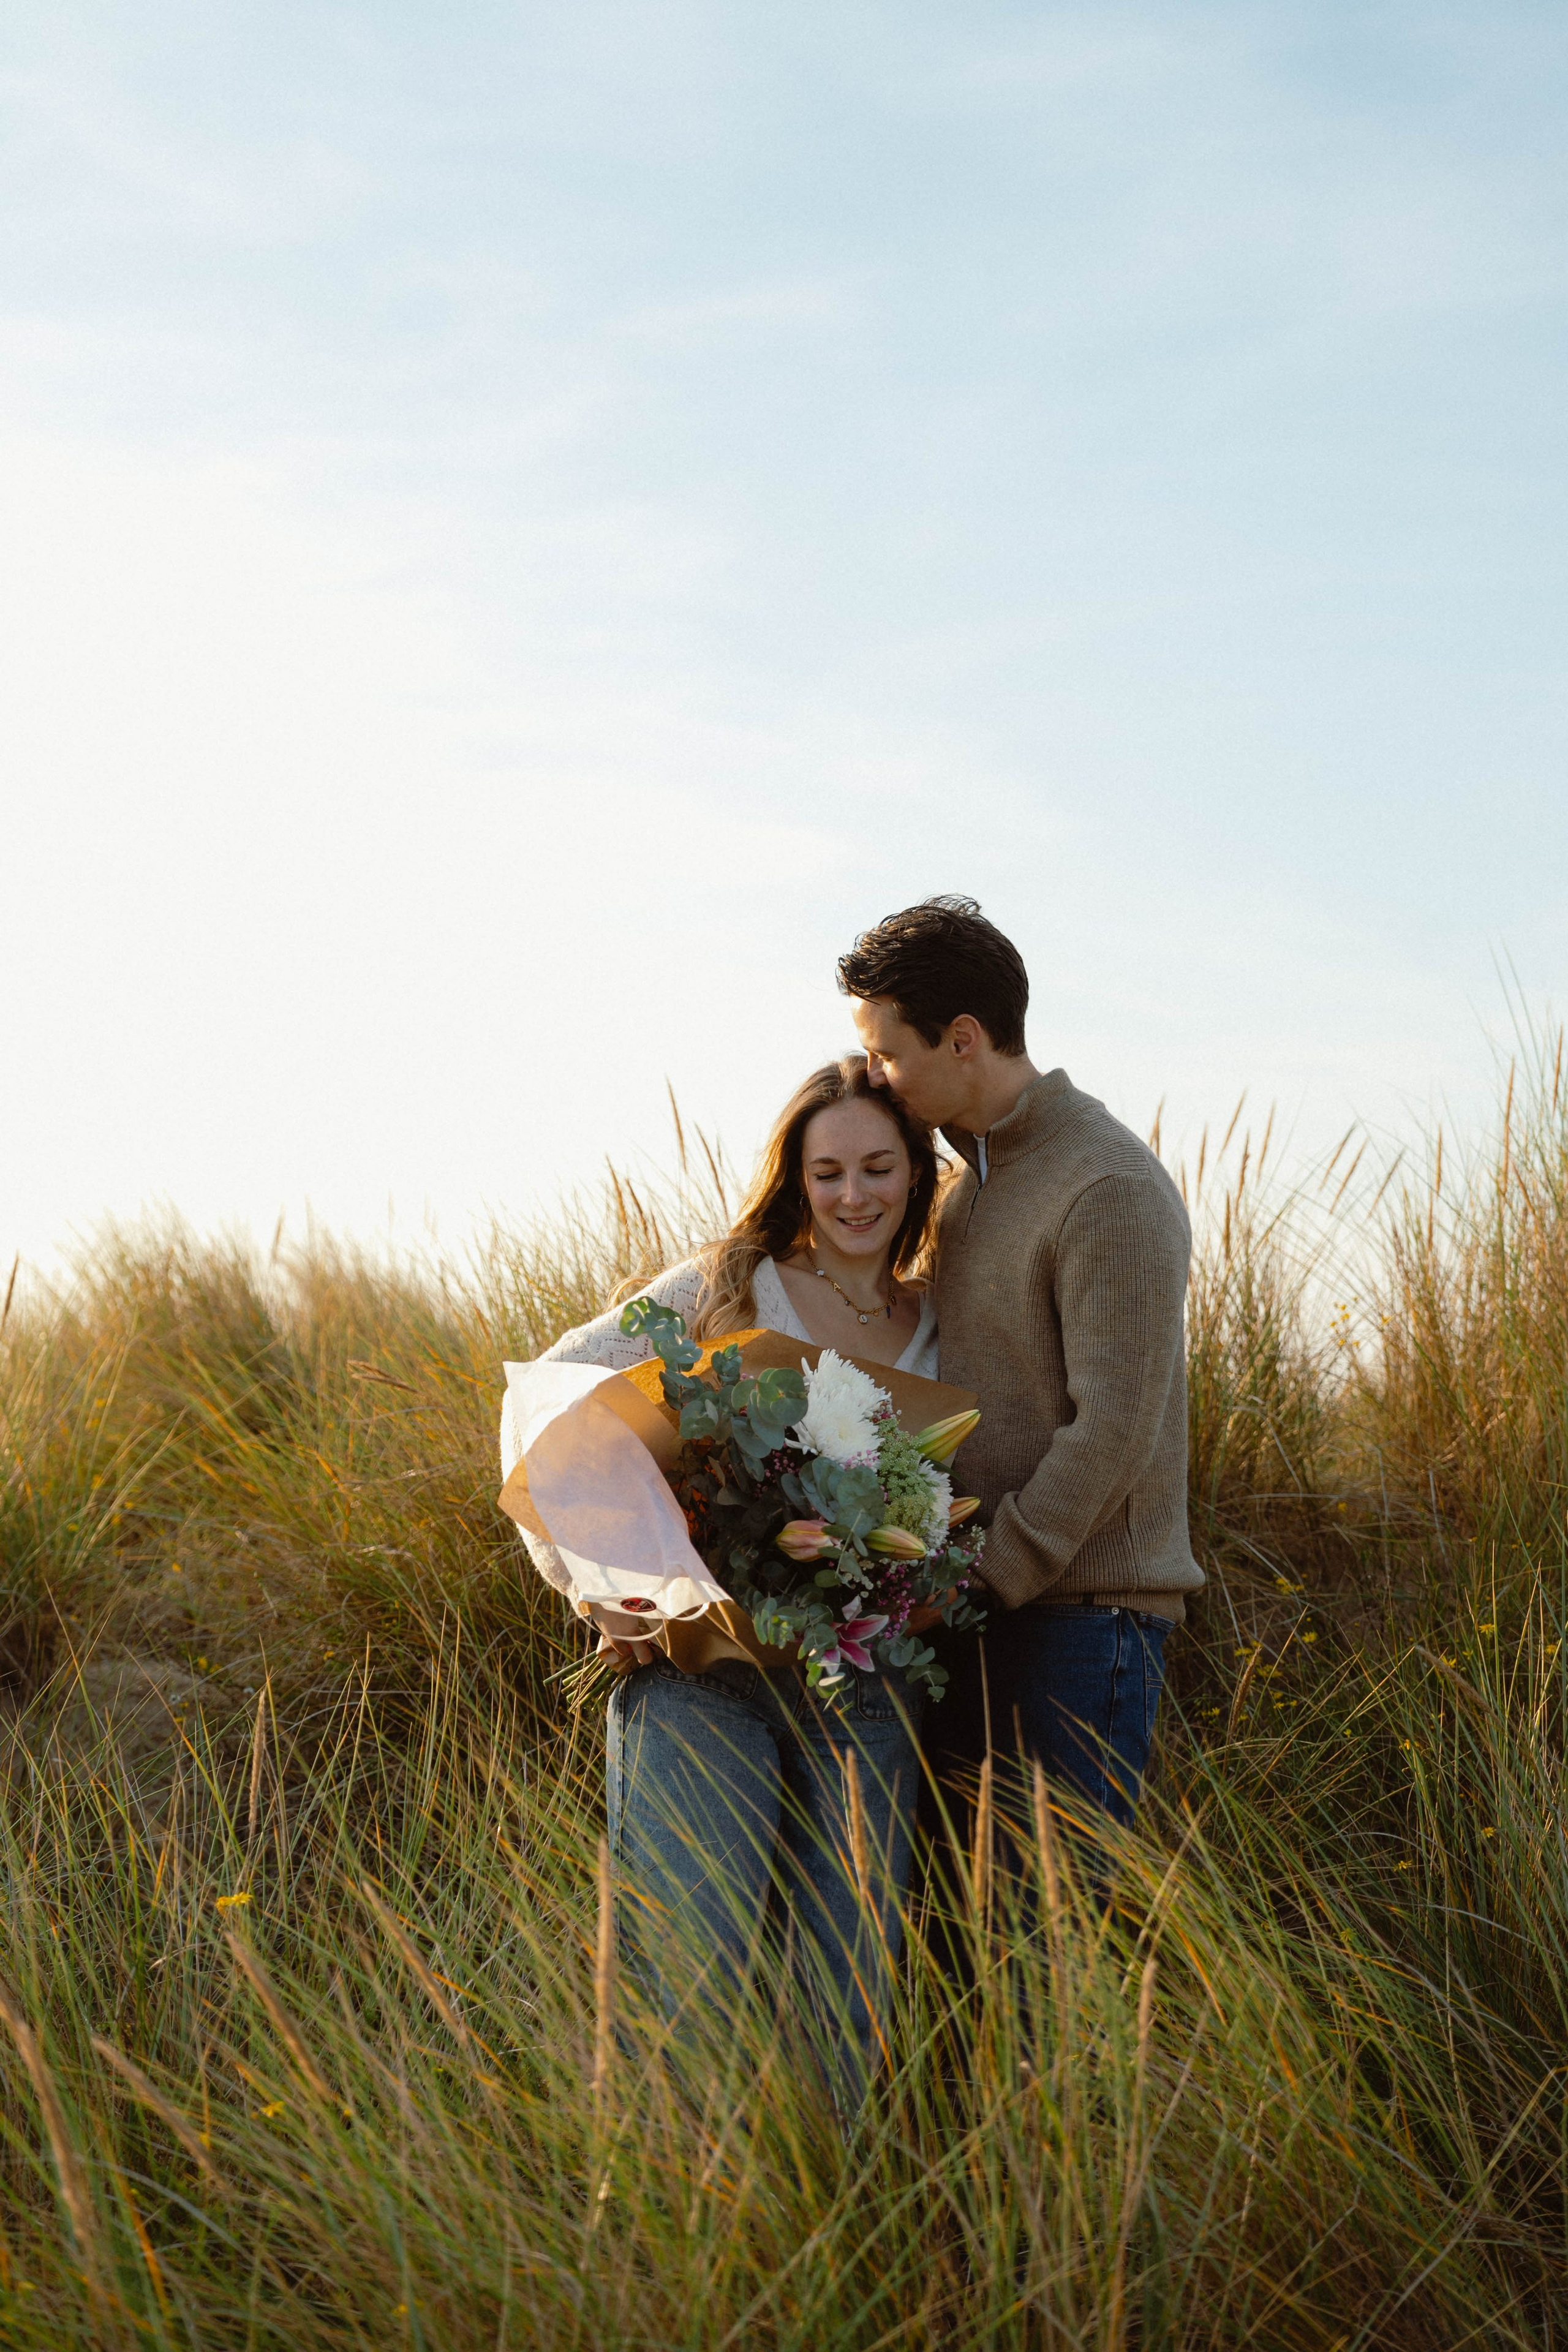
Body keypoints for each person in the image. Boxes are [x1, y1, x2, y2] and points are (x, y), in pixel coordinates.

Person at [529, 1055, 941, 2079]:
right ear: (798, 1177)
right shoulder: (731, 1286)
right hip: (704, 1681)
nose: (855, 1196)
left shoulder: (941, 1325)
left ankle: (833, 2218)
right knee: (687, 1993)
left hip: (865, 1689)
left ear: (917, 1176)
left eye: (880, 1169)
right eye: (830, 1170)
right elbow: (556, 1401)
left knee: (850, 2006)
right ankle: (678, 2227)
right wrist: (598, 1582)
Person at [837, 896, 1204, 1835]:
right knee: (964, 1949)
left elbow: (1114, 1427)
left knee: (1050, 1953)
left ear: (962, 1038)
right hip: (984, 1613)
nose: (874, 1076)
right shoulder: (969, 1191)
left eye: (887, 1052)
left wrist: (985, 1574)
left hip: (1084, 1625)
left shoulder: (1106, 1187)